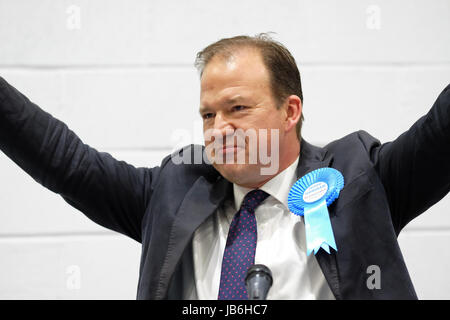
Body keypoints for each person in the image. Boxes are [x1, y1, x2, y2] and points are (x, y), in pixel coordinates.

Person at [0, 34, 449, 300]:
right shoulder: (173, 191)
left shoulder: (359, 178)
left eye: (237, 108)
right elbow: (67, 162)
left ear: (290, 110)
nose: (218, 129)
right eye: (208, 115)